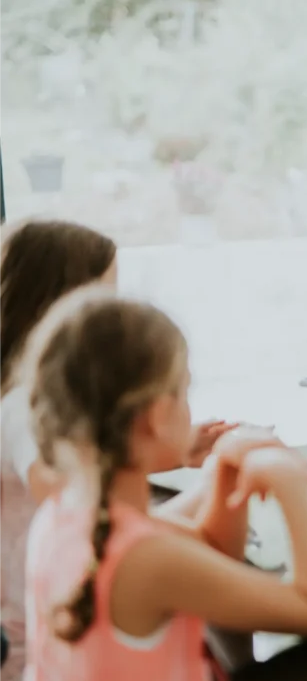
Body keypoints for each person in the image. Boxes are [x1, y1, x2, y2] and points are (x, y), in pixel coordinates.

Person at [23, 289, 307, 681]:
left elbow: (212, 551)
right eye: (185, 391)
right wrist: (288, 480)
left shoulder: (64, 515)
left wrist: (223, 470)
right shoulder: (145, 559)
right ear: (159, 417)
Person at [0, 221, 232, 681]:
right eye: (108, 295)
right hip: (46, 642)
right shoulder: (26, 407)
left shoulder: (25, 396)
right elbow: (86, 506)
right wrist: (212, 480)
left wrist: (176, 453)